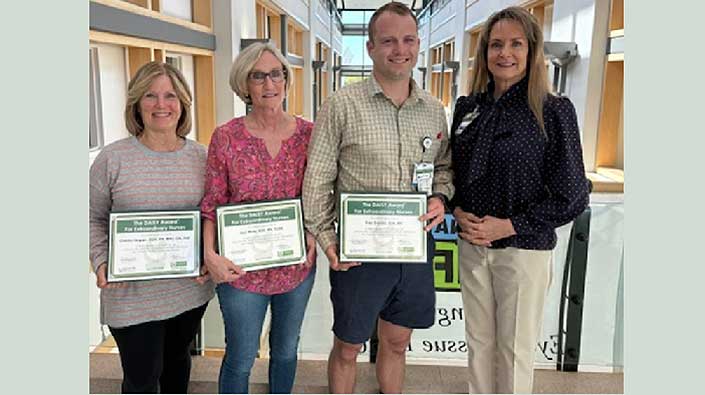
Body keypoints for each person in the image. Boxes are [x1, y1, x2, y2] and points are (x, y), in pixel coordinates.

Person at [302, 2, 454, 393]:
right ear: (370, 48)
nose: (398, 49)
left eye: (407, 40)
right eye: (387, 41)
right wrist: (328, 241)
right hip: (360, 256)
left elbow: (444, 168)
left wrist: (440, 197)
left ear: (419, 44)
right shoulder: (341, 105)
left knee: (398, 342)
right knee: (349, 346)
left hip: (415, 248)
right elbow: (317, 180)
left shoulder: (434, 111)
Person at [449, 7, 590, 394]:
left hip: (523, 249)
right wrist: (457, 210)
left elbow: (573, 195)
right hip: (473, 246)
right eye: (496, 44)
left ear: (531, 51)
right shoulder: (468, 108)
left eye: (515, 44)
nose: (504, 53)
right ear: (485, 53)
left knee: (514, 351)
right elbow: (455, 176)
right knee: (478, 345)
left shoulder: (553, 110)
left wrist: (509, 225)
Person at [89, 61, 214, 394]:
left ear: (183, 102)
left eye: (170, 95)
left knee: (176, 367)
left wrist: (208, 256)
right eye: (150, 96)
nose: (161, 105)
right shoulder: (112, 159)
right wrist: (101, 260)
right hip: (130, 294)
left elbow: (212, 216)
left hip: (187, 290)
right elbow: (92, 216)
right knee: (141, 378)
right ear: (136, 103)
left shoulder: (203, 158)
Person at [200, 42, 317, 394]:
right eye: (259, 76)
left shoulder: (308, 135)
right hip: (239, 271)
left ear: (286, 79)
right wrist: (210, 256)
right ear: (244, 85)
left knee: (285, 350)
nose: (270, 84)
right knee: (240, 356)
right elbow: (213, 202)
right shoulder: (225, 137)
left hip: (294, 268)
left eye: (277, 74)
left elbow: (316, 195)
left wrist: (312, 236)